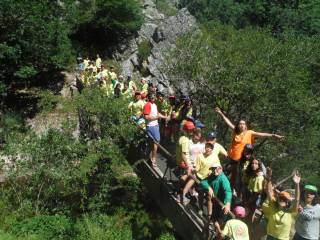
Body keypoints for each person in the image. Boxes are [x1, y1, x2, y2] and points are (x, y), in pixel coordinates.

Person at [214, 107, 284, 188]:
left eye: (243, 124)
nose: (241, 125)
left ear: (246, 126)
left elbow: (262, 134)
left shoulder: (250, 133)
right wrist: (221, 113)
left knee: (243, 177)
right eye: (240, 123)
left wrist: (273, 135)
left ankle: (258, 186)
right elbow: (228, 123)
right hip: (233, 159)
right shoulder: (235, 132)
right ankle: (231, 191)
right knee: (232, 177)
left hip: (243, 160)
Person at [262, 168, 300, 240]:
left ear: (288, 202)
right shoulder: (273, 205)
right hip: (270, 236)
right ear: (278, 198)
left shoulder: (291, 212)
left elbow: (297, 200)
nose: (283, 200)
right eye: (281, 198)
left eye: (285, 199)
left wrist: (297, 184)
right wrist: (269, 178)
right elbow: (269, 191)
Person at [143, 93, 167, 168]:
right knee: (156, 141)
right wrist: (156, 117)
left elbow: (158, 113)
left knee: (152, 141)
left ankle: (148, 156)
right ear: (149, 98)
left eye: (154, 97)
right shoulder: (147, 105)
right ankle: (154, 159)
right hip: (151, 126)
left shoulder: (154, 105)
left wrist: (165, 117)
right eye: (152, 97)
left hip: (155, 125)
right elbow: (146, 117)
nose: (153, 98)